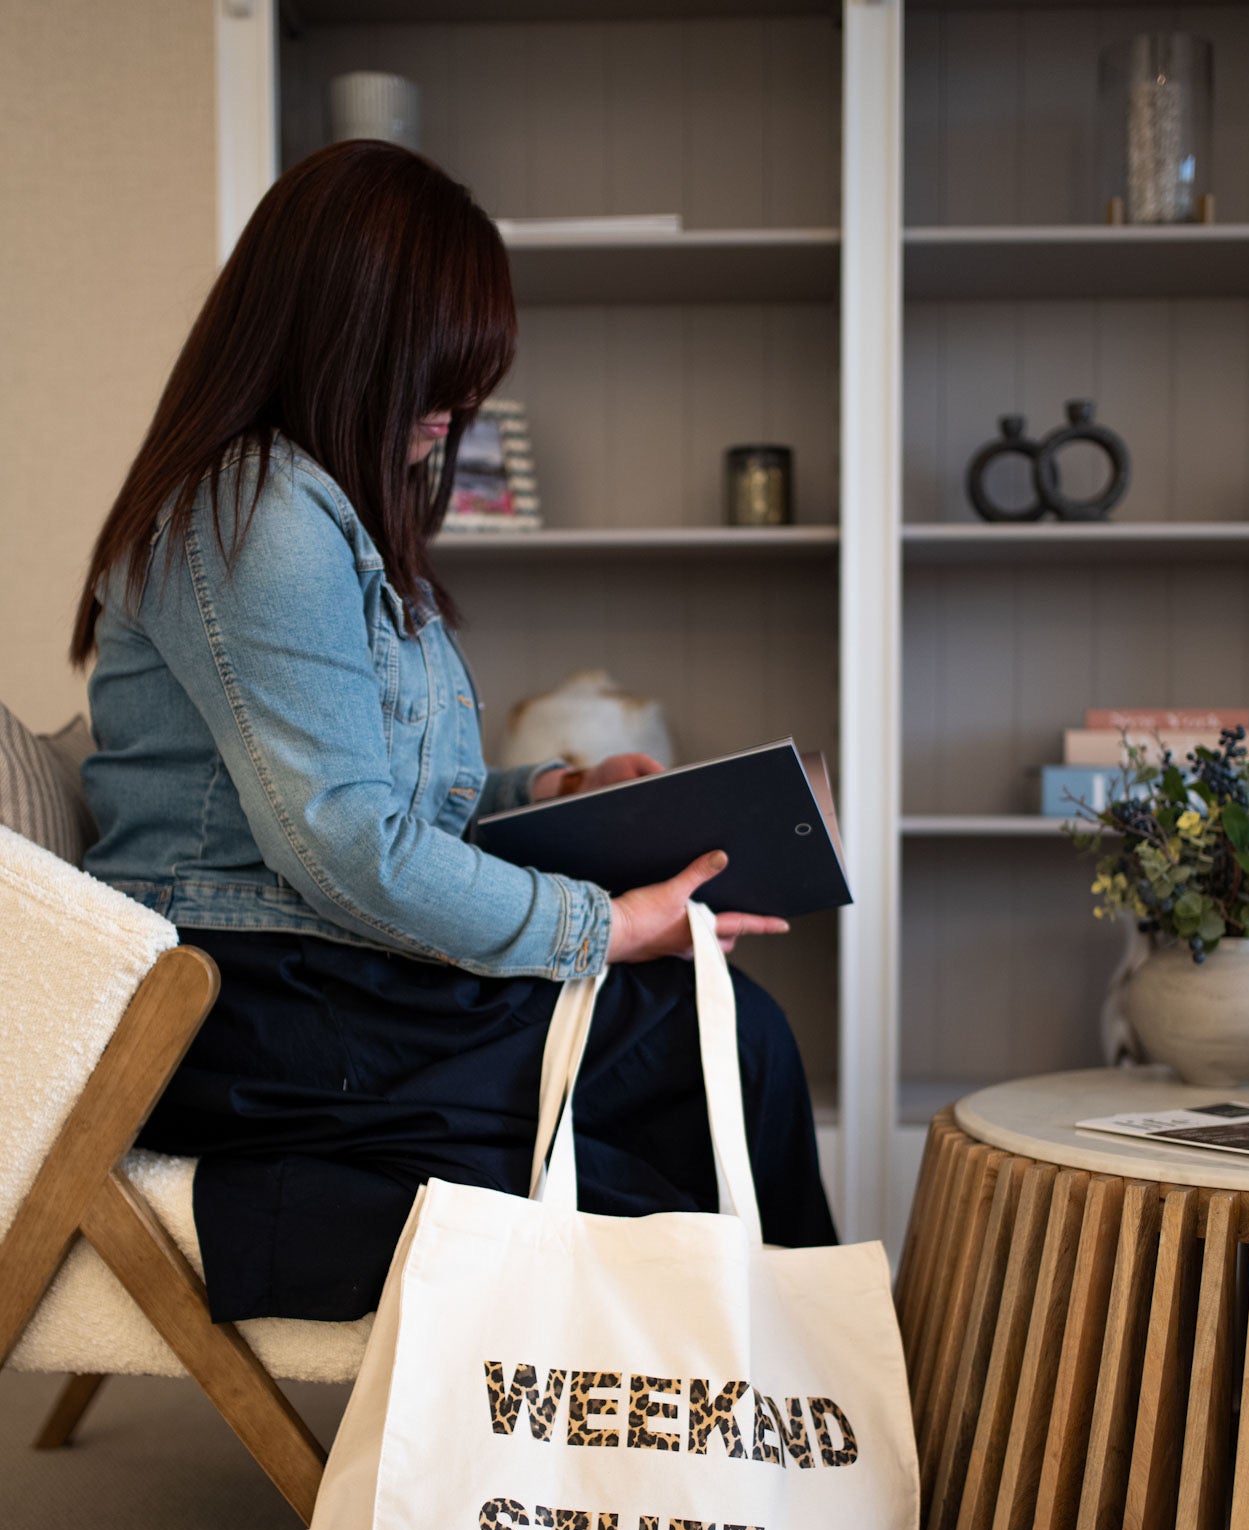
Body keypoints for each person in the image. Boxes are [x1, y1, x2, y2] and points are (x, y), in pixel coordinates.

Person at [72, 141, 837, 1324]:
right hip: (251, 997)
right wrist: (602, 925)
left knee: (707, 1046)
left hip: (307, 962)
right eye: (435, 376)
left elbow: (385, 799)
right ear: (342, 340)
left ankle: (762, 1400)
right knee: (711, 1044)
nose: (455, 413)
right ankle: (783, 1398)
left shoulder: (315, 512)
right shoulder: (258, 517)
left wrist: (559, 788)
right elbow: (346, 844)